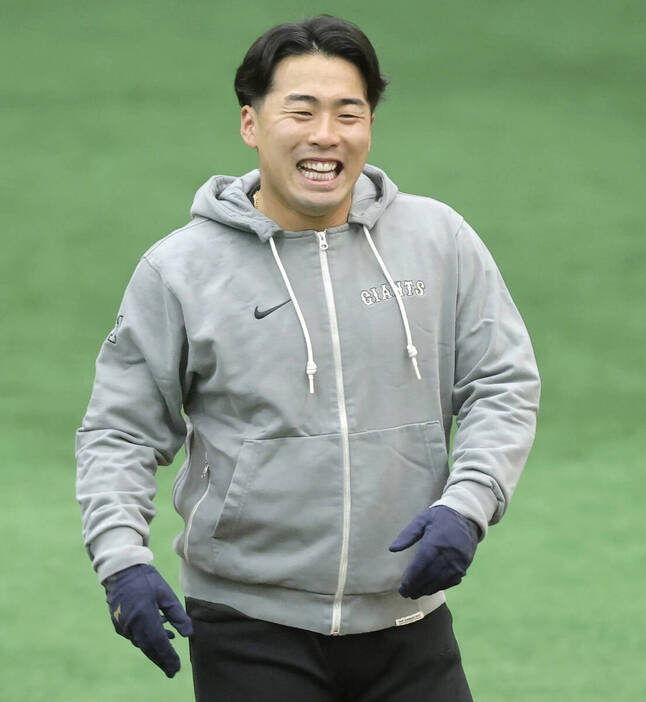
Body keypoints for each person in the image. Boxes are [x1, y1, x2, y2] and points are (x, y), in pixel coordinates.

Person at [76, 14, 540, 702]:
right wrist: (122, 563)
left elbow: (501, 383)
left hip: (410, 617)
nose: (326, 135)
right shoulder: (180, 270)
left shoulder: (439, 240)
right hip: (248, 627)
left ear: (369, 126)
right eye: (301, 111)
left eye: (348, 113)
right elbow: (121, 431)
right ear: (251, 123)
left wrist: (468, 505)